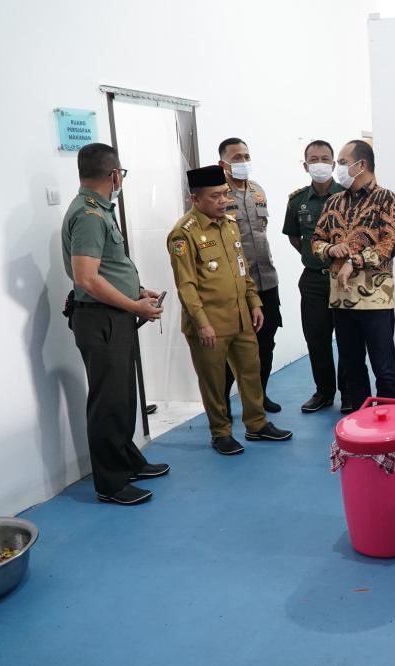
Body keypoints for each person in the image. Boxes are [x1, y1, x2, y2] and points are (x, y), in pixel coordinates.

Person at [61, 143, 169, 505]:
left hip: (112, 314)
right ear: (113, 175)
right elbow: (86, 278)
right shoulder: (90, 215)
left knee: (123, 396)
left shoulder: (99, 210)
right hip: (100, 318)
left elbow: (107, 267)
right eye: (120, 173)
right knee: (108, 401)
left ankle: (127, 461)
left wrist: (136, 291)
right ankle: (110, 484)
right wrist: (135, 306)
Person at [167, 165, 292, 455]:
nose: (223, 201)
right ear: (195, 199)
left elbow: (241, 269)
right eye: (215, 196)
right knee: (214, 381)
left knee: (251, 372)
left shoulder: (230, 224)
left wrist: (254, 302)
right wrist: (202, 323)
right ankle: (220, 433)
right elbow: (186, 286)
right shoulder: (183, 234)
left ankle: (256, 424)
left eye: (224, 194)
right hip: (209, 324)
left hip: (241, 317)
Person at [311, 140, 395, 412]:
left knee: (383, 368)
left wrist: (355, 260)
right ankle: (362, 422)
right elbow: (316, 240)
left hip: (375, 301)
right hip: (341, 300)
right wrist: (329, 249)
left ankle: (391, 422)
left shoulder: (387, 200)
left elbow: (391, 243)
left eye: (342, 162)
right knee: (352, 367)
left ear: (361, 165)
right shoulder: (334, 202)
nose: (337, 168)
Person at [284, 140, 369, 414]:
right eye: (313, 159)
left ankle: (348, 393)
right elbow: (296, 238)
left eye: (325, 158)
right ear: (305, 165)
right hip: (313, 280)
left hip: (344, 278)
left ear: (333, 164)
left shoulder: (348, 195)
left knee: (348, 340)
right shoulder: (297, 201)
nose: (319, 163)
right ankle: (323, 392)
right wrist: (316, 257)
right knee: (317, 339)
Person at [218, 138, 282, 413]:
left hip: (266, 279)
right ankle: (222, 403)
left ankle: (260, 396)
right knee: (233, 347)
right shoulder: (218, 195)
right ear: (223, 163)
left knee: (266, 343)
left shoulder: (257, 191)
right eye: (237, 157)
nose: (243, 161)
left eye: (246, 156)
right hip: (237, 286)